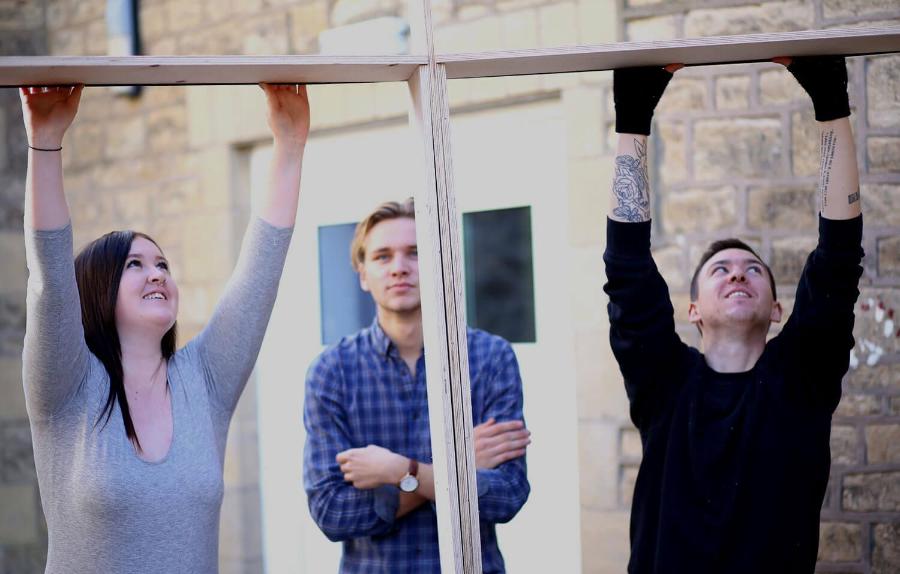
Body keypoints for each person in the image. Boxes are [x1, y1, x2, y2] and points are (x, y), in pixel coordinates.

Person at [20, 82, 310, 573]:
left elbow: (260, 276)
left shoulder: (204, 381)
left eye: (162, 263)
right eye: (134, 265)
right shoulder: (66, 387)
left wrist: (289, 144)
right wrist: (45, 141)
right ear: (95, 290)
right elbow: (50, 282)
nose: (157, 273)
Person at [603, 56, 863, 573]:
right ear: (693, 309)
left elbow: (838, 257)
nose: (738, 274)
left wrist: (831, 102)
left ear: (776, 310)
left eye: (753, 270)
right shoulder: (664, 384)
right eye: (720, 269)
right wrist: (632, 120)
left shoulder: (801, 380)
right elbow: (627, 267)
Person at [303, 198, 531, 573]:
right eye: (382, 256)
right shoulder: (332, 372)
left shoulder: (490, 358)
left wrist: (401, 471)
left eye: (415, 253)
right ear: (362, 274)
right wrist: (455, 470)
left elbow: (507, 496)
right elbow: (332, 513)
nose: (399, 268)